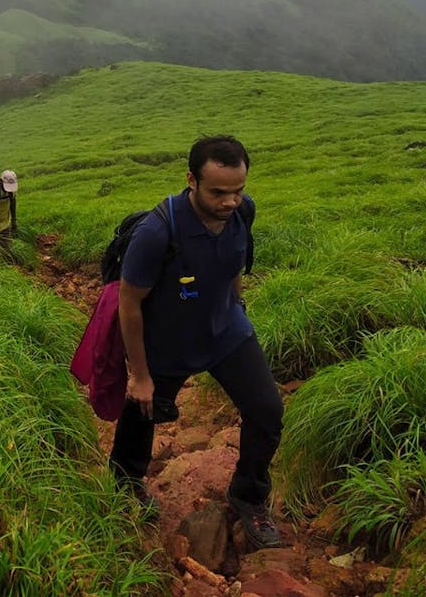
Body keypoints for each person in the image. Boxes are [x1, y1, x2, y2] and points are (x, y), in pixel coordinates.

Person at [112, 135, 283, 549]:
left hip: (225, 330)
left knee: (266, 410)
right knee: (143, 411)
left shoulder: (243, 212)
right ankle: (125, 484)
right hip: (168, 340)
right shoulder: (158, 232)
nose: (231, 201)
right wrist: (139, 373)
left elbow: (234, 260)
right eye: (219, 192)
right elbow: (129, 303)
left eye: (238, 190)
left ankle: (248, 495)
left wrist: (237, 304)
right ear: (191, 180)